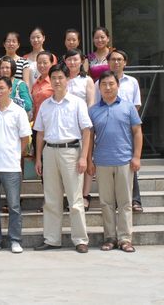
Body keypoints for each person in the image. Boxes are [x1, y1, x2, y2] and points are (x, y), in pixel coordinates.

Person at [33, 63, 92, 254]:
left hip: (71, 152)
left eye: (61, 77)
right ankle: (52, 239)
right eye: (54, 77)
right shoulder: (45, 105)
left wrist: (84, 157)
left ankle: (80, 239)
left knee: (75, 199)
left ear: (67, 80)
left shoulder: (77, 103)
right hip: (49, 152)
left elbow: (86, 131)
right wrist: (38, 158)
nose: (57, 81)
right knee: (51, 199)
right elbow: (40, 133)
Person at [88, 70, 142, 253]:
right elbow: (89, 137)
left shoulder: (128, 107)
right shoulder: (93, 110)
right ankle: (110, 237)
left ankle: (125, 239)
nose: (108, 87)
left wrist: (136, 156)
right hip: (102, 162)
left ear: (118, 86)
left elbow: (137, 132)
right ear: (99, 88)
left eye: (111, 84)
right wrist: (89, 160)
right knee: (106, 202)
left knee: (125, 202)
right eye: (104, 84)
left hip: (124, 161)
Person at [0, 76, 32, 254]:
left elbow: (25, 138)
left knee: (14, 206)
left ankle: (15, 240)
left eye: (2, 88)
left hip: (11, 166)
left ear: (10, 90)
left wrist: (16, 155)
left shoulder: (18, 111)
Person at [94, 49, 144, 213]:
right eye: (113, 59)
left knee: (129, 164)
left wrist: (127, 119)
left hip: (127, 125)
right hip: (106, 124)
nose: (116, 62)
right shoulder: (99, 83)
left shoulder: (132, 82)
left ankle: (135, 199)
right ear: (107, 63)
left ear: (125, 62)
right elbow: (96, 104)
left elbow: (136, 105)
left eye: (119, 59)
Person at [64, 48, 96, 210]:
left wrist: (86, 124)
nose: (72, 62)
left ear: (82, 61)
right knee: (71, 162)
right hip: (66, 126)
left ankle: (85, 195)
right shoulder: (62, 79)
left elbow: (91, 102)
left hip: (83, 125)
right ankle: (73, 195)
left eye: (75, 59)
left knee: (87, 159)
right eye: (69, 59)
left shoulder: (87, 80)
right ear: (65, 61)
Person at [30, 51, 55, 154]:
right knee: (38, 159)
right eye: (39, 63)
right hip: (37, 126)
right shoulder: (36, 83)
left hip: (51, 126)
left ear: (52, 63)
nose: (41, 65)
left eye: (45, 62)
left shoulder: (55, 82)